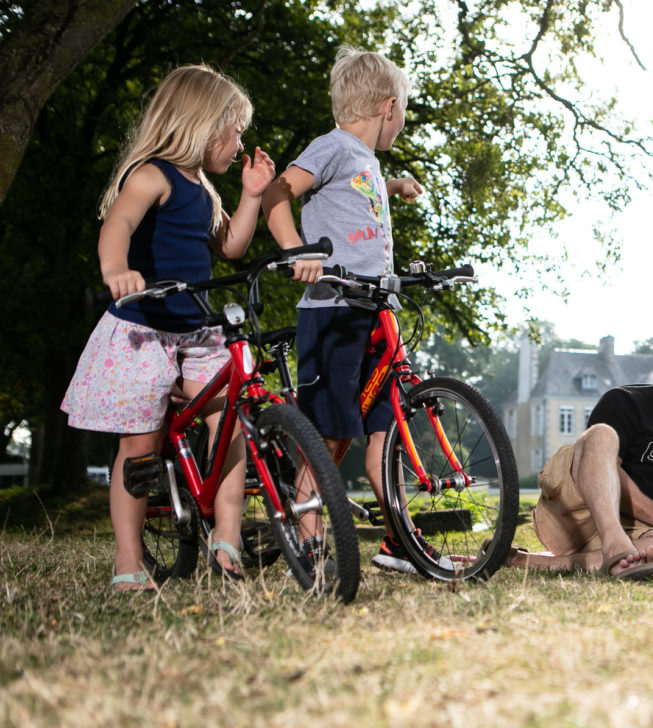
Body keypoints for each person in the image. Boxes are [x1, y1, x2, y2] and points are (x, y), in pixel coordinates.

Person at [61, 65, 275, 590]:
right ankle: (129, 562)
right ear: (203, 125)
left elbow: (230, 247)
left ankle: (226, 541)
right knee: (140, 445)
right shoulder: (151, 175)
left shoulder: (203, 188)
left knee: (228, 421)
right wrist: (116, 270)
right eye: (235, 131)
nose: (239, 143)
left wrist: (250, 196)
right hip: (143, 330)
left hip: (195, 331)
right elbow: (119, 223)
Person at [262, 45, 427, 574]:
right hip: (334, 310)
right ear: (387, 106)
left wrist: (394, 184)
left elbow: (358, 192)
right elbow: (276, 194)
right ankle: (307, 546)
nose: (401, 122)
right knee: (329, 433)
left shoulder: (366, 162)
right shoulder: (331, 147)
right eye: (402, 112)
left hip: (376, 309)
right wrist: (297, 251)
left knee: (386, 430)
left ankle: (399, 540)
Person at [512, 328, 653, 578]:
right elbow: (597, 468)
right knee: (601, 434)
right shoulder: (623, 400)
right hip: (575, 516)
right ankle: (614, 544)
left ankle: (533, 563)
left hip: (638, 532)